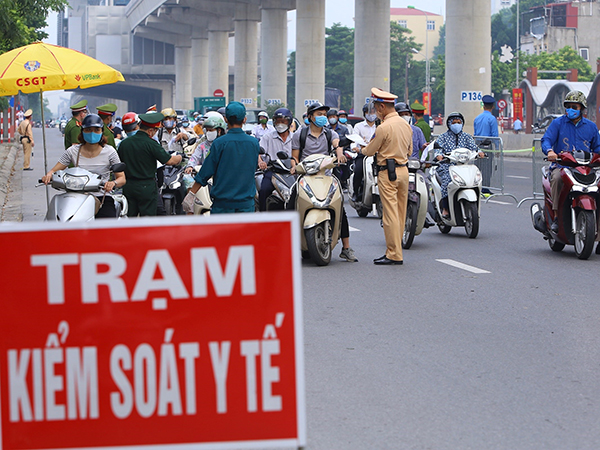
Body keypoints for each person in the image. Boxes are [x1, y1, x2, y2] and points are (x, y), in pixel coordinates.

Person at [291, 101, 358, 262]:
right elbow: (294, 156)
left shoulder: (330, 134)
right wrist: (294, 166)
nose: (322, 117)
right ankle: (288, 244)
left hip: (326, 175)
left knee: (339, 207)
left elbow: (337, 146)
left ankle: (346, 248)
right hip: (305, 176)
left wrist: (340, 154)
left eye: (324, 115)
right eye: (318, 114)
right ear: (309, 117)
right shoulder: (299, 134)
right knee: (290, 203)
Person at [360, 88, 411, 265]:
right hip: (404, 171)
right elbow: (410, 150)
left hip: (387, 172)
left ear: (382, 106)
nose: (375, 111)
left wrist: (361, 148)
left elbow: (369, 150)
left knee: (389, 215)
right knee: (400, 213)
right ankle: (397, 251)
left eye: (376, 107)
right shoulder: (406, 125)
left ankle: (393, 254)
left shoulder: (383, 127)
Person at [42, 114, 126, 218]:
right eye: (88, 130)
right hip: (76, 196)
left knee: (107, 226)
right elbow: (54, 170)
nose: (92, 133)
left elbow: (121, 178)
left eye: (96, 130)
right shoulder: (73, 151)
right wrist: (49, 175)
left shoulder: (110, 151)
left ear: (102, 132)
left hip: (101, 196)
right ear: (82, 131)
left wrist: (112, 183)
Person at [541, 90, 600, 235]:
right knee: (556, 178)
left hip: (586, 169)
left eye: (575, 107)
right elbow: (546, 139)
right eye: (569, 106)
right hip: (562, 167)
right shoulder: (557, 123)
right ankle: (555, 218)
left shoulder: (591, 127)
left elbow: (598, 148)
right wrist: (550, 151)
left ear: (582, 109)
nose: (571, 110)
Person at [183, 102, 259, 214]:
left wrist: (191, 193)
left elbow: (206, 172)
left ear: (226, 120)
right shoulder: (253, 143)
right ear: (244, 119)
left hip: (223, 206)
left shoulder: (219, 143)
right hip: (246, 205)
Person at [117, 112, 182, 216]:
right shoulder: (151, 144)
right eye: (156, 130)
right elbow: (169, 160)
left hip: (128, 186)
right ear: (151, 130)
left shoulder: (124, 144)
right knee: (147, 219)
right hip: (146, 186)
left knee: (129, 218)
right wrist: (179, 157)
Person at [435, 112, 484, 218]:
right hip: (447, 166)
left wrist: (479, 152)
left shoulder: (466, 137)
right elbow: (438, 149)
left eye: (459, 122)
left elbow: (474, 147)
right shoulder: (443, 137)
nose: (456, 124)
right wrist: (439, 155)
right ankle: (446, 208)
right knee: (447, 182)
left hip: (464, 166)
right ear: (449, 124)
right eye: (454, 122)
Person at [257, 107, 293, 211]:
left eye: (283, 121)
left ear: (289, 122)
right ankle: (263, 217)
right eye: (278, 121)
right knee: (264, 190)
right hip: (273, 172)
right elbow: (259, 153)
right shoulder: (267, 137)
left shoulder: (295, 137)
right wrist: (261, 162)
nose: (280, 124)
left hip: (291, 173)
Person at [351, 103, 377, 201]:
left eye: (373, 112)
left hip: (376, 155)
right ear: (364, 113)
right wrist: (355, 148)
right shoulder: (359, 126)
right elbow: (354, 140)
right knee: (358, 170)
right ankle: (356, 192)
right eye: (369, 112)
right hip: (363, 154)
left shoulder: (380, 126)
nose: (371, 114)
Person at [473, 95, 498, 195]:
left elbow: (475, 132)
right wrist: (497, 149)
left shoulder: (477, 118)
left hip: (478, 145)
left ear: (483, 106)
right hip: (488, 146)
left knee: (478, 168)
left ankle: (476, 186)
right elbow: (495, 135)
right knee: (487, 168)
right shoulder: (492, 119)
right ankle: (485, 189)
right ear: (493, 106)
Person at [328, 108, 351, 190]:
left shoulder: (344, 129)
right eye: (330, 117)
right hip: (329, 153)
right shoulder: (326, 130)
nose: (332, 119)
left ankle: (344, 180)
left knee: (344, 161)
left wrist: (340, 151)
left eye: (333, 116)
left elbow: (347, 141)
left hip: (342, 150)